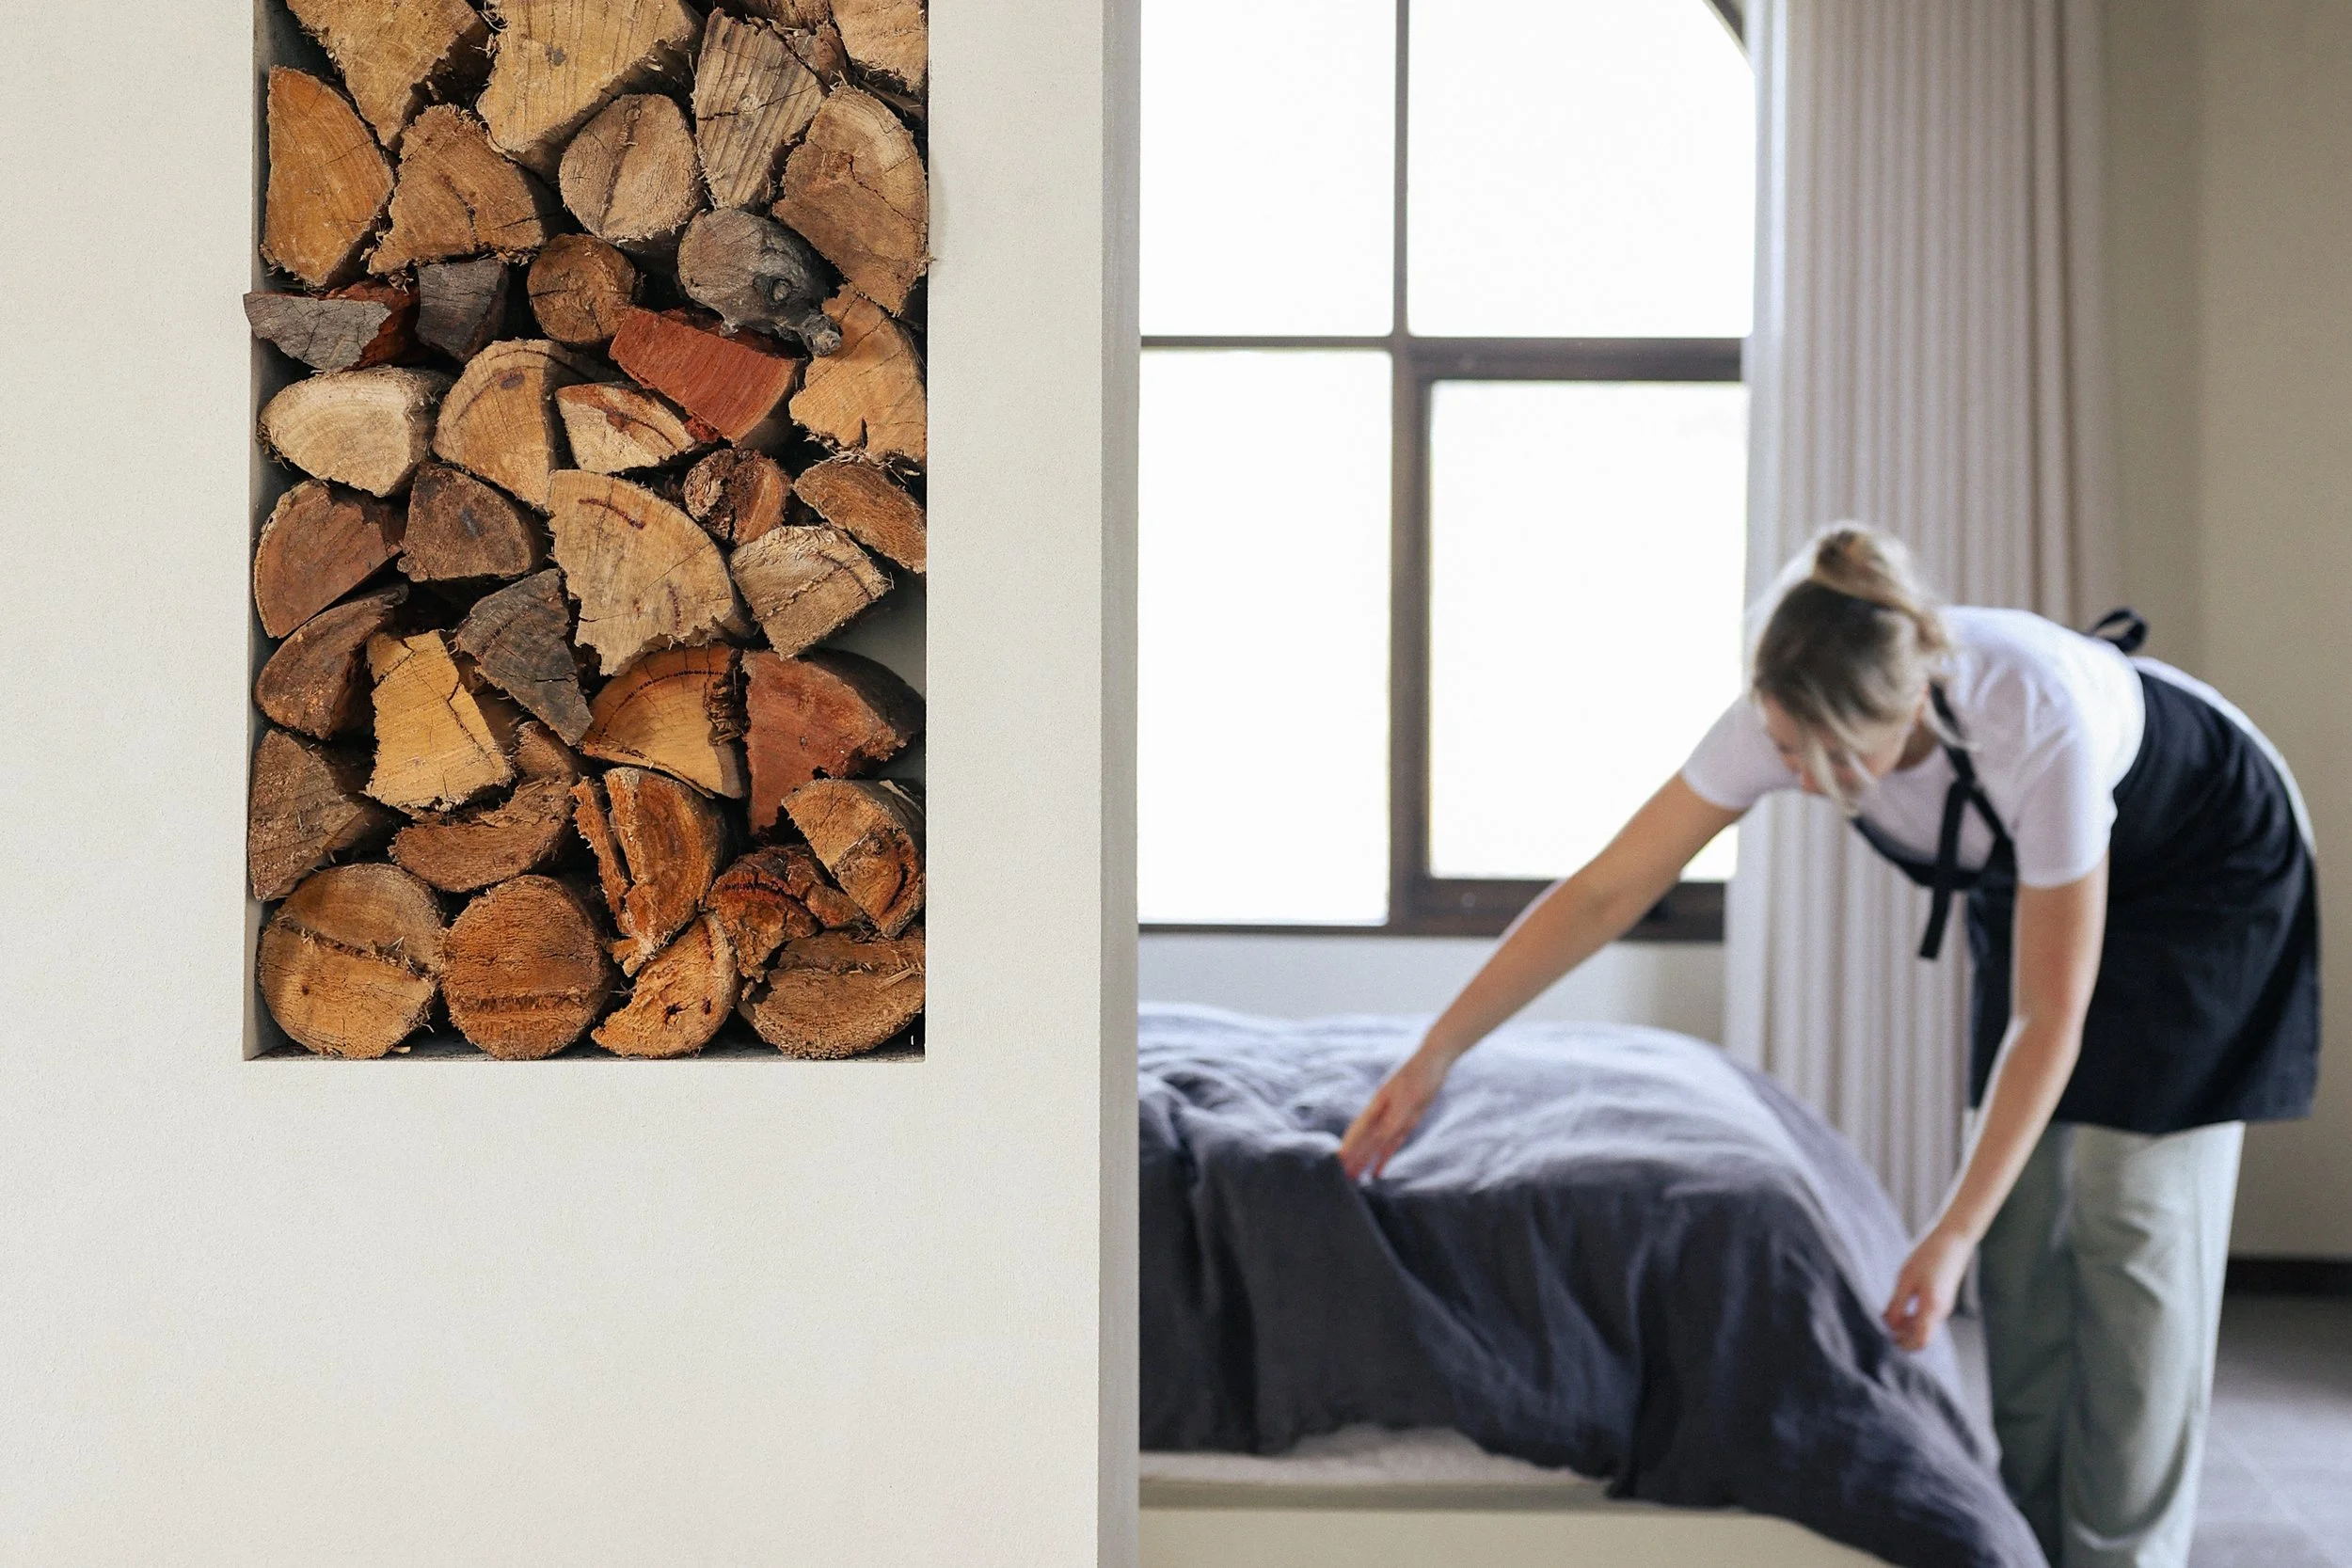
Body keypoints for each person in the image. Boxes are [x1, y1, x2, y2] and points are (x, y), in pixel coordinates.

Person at [1338, 524, 2319, 1568]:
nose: (1800, 775)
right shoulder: (1784, 710)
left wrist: (1937, 1234)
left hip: (2203, 873)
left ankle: (2124, 1551)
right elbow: (1605, 890)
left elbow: (2049, 1016)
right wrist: (1435, 1052)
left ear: (1900, 708)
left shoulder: (2031, 719)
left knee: (2130, 1217)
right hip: (2039, 876)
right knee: (2019, 1237)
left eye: (1826, 757)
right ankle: (2031, 1539)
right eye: (1785, 746)